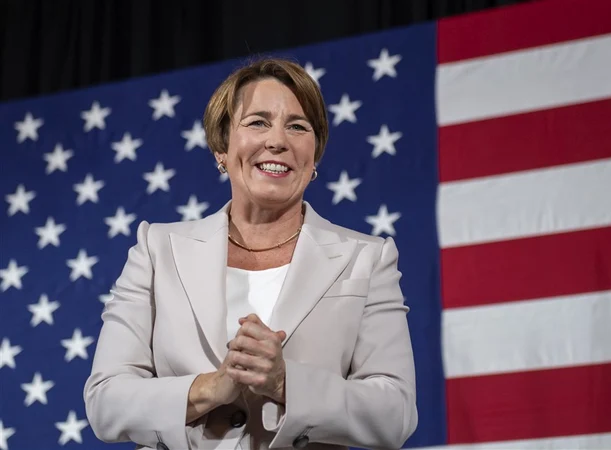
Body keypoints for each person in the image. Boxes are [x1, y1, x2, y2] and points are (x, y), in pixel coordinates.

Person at [83, 57, 418, 450]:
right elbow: (105, 401)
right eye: (258, 121)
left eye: (297, 126)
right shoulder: (158, 249)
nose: (278, 140)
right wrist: (210, 387)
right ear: (221, 147)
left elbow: (395, 413)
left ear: (314, 157)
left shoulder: (367, 258)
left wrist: (285, 383)